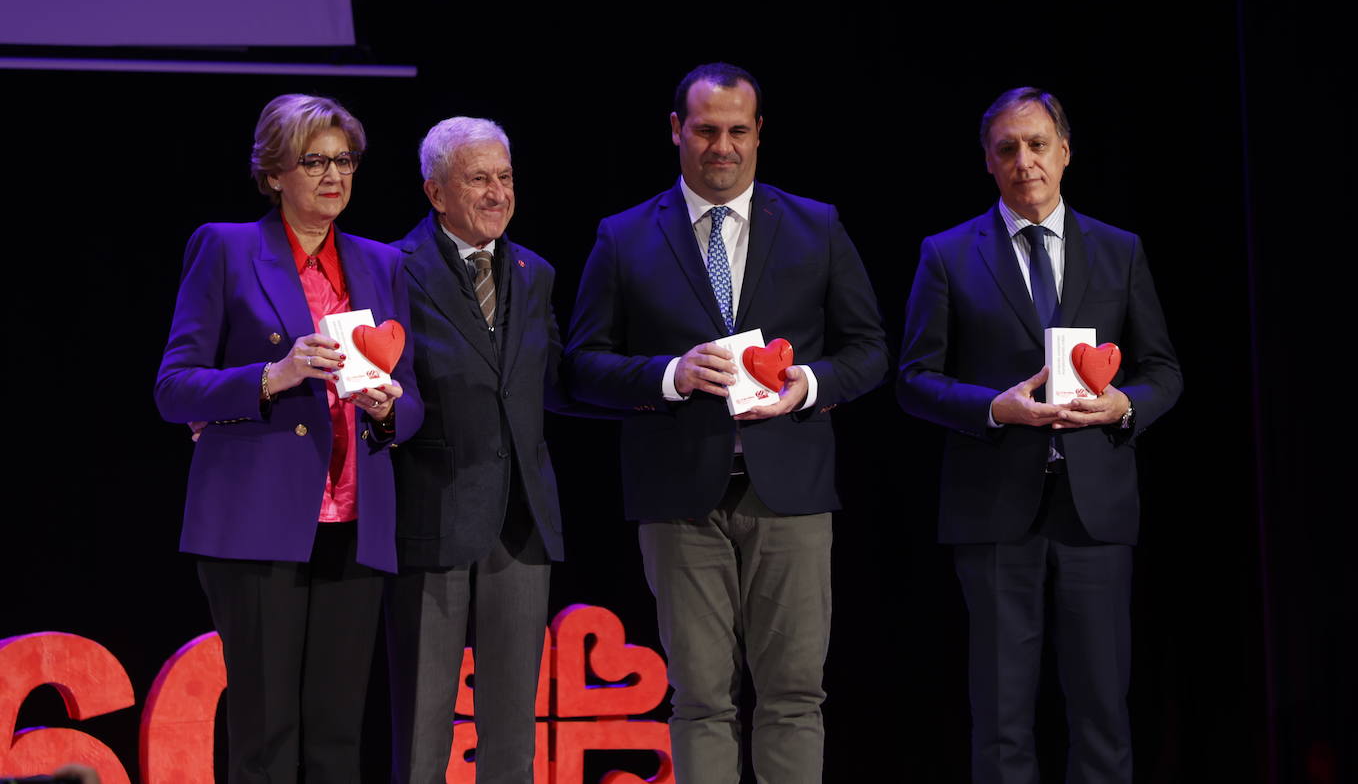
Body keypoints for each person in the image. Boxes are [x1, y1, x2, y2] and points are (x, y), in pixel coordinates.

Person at [563, 62, 889, 784]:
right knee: (701, 698)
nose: (722, 146)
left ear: (759, 134)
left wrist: (807, 384)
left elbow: (870, 351)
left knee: (795, 694)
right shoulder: (622, 236)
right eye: (706, 129)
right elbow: (581, 363)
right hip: (679, 495)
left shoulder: (816, 225)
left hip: (792, 492)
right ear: (676, 129)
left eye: (738, 130)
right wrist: (668, 376)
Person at [897, 87, 1183, 783]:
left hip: (1096, 508)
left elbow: (1164, 371)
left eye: (1036, 145)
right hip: (995, 507)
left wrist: (1122, 405)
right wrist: (995, 409)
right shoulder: (947, 254)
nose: (1023, 161)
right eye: (1007, 149)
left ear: (1065, 153)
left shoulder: (1119, 251)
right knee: (1000, 715)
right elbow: (913, 378)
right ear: (989, 164)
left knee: (1102, 709)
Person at [155, 93, 419, 783]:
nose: (334, 176)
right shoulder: (226, 248)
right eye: (314, 162)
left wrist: (390, 408)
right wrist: (274, 374)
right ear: (274, 173)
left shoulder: (382, 262)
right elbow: (174, 387)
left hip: (356, 524)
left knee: (337, 736)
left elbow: (413, 400)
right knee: (266, 736)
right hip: (257, 524)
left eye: (345, 161)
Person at [384, 117, 579, 784]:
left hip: (521, 522)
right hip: (431, 515)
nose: (497, 193)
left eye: (505, 178)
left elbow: (557, 380)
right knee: (422, 726)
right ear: (436, 193)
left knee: (512, 729)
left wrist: (658, 384)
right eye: (478, 179)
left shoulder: (535, 272)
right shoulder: (391, 270)